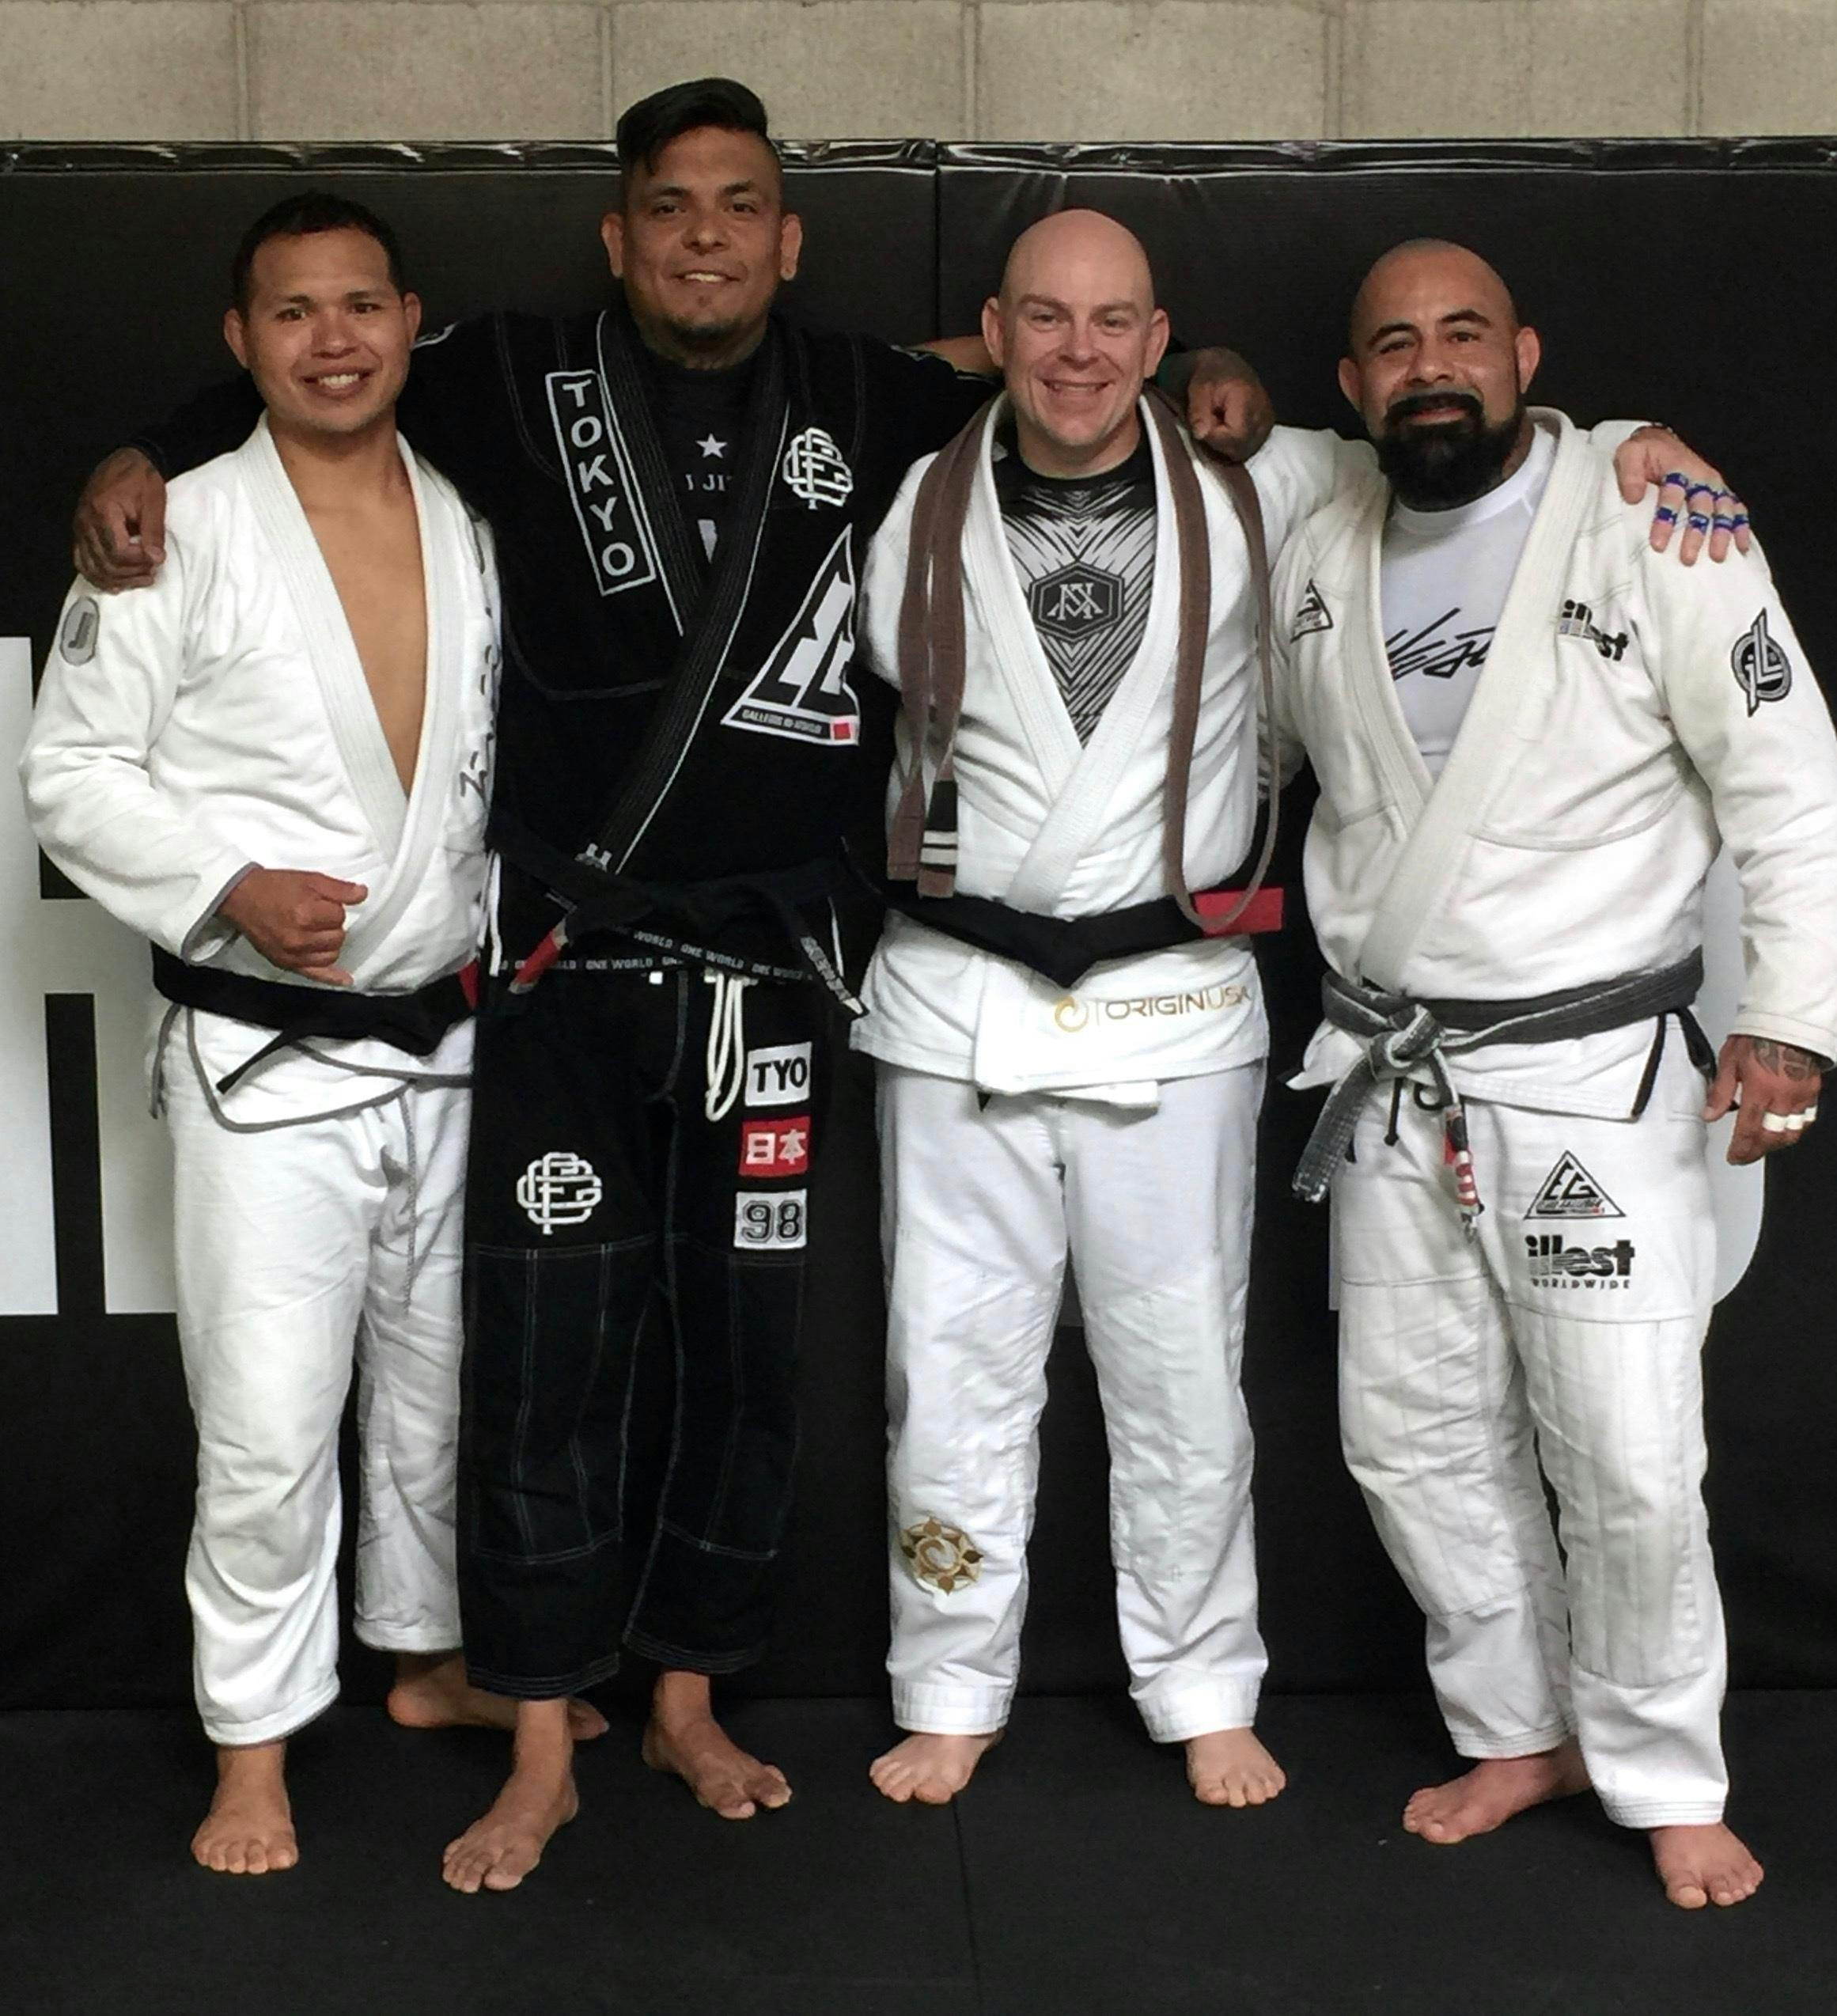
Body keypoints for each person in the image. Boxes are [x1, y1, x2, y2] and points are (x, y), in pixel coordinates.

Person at [71, 81, 1276, 1891]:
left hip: (769, 979)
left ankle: (689, 1696)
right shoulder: (507, 377)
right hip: (561, 972)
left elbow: (1048, 369)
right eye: (668, 205)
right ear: (616, 234)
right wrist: (142, 453)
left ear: (788, 239)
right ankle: (539, 1731)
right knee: (542, 1363)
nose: (702, 235)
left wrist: (1220, 367)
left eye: (737, 205)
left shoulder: (866, 394)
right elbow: (312, 377)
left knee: (744, 1361)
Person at [847, 212, 1721, 1810]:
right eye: (1043, 319)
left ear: (1160, 339)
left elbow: (1471, 437)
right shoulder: (909, 493)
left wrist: (1631, 444)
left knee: (1180, 1370)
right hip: (954, 997)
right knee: (946, 1369)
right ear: (994, 331)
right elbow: (792, 393)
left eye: (1114, 322)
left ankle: (1201, 1681)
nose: (1078, 352)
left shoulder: (1273, 483)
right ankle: (949, 1679)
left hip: (1169, 998)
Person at [1271, 237, 1837, 1909]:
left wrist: (1791, 1015)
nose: (1429, 365)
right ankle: (1520, 1727)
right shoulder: (1321, 534)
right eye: (1392, 344)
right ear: (1354, 385)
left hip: (1592, 1063)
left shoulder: (1654, 522)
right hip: (1392, 1067)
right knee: (1408, 1432)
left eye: (1462, 334)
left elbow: (1790, 778)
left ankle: (1663, 1766)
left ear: (1525, 354)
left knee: (1630, 1455)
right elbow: (1180, 431)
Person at [19, 194, 555, 1875]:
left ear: (409, 321)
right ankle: (250, 1741)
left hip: (448, 1042)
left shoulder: (469, 516)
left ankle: (426, 1657)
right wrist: (228, 886)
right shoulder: (172, 529)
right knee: (265, 1420)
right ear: (240, 341)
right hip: (266, 1059)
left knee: (435, 1395)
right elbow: (67, 770)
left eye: (361, 306)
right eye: (293, 311)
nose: (333, 340)